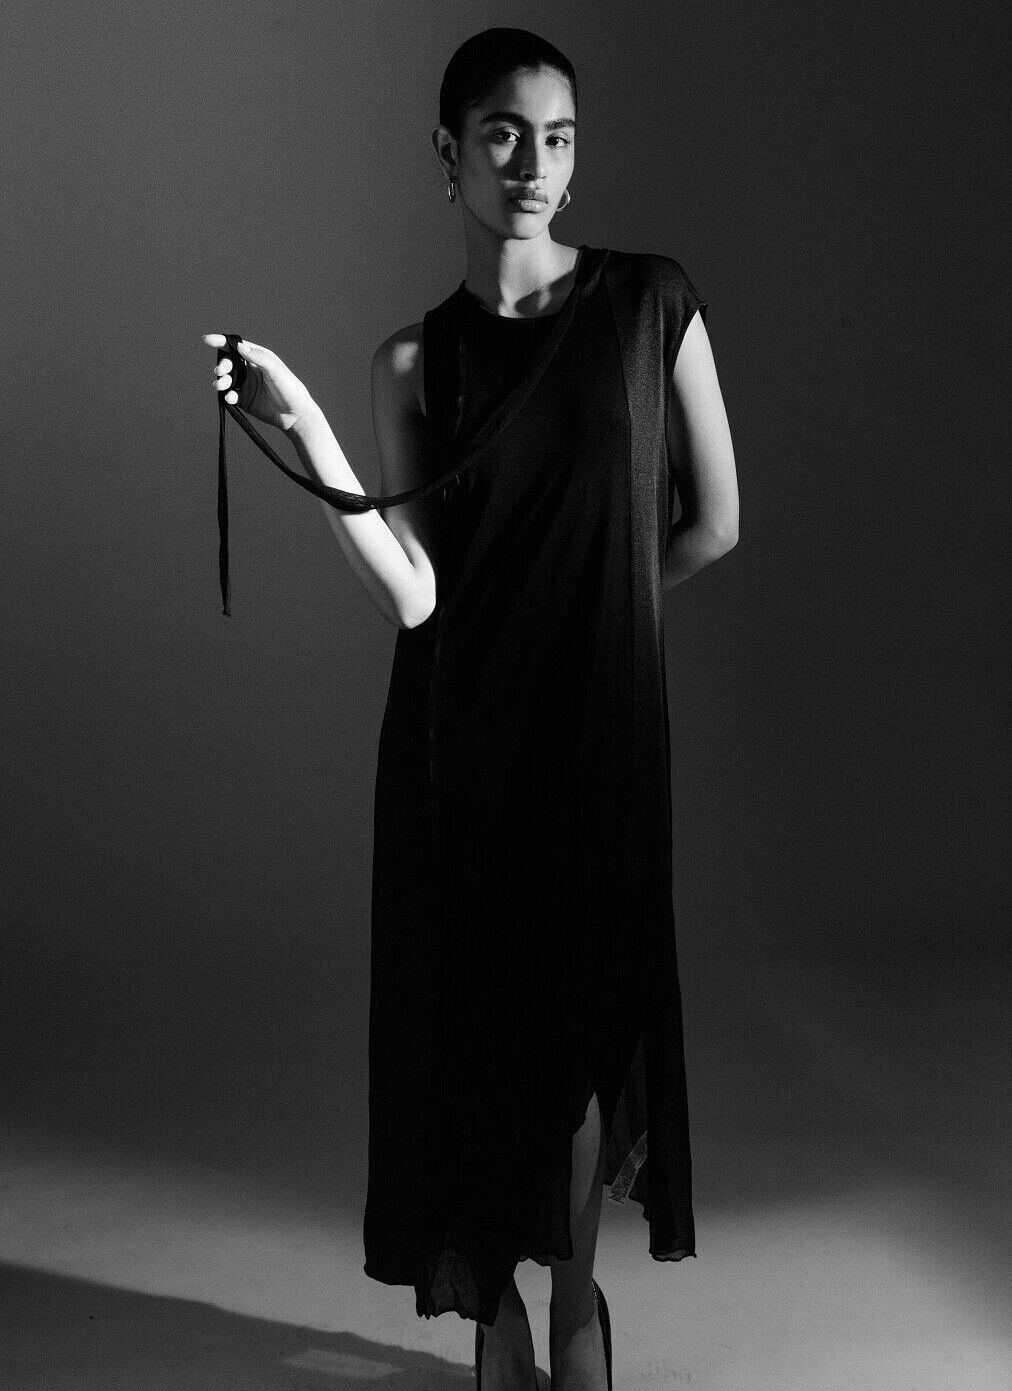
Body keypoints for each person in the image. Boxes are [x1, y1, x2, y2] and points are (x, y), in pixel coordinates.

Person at [204, 26, 737, 1391]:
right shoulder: (413, 363)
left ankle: (577, 1306)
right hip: (462, 746)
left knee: (585, 1039)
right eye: (504, 134)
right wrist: (303, 424)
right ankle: (498, 1313)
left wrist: (597, 616)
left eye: (558, 138)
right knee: (480, 1034)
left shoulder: (649, 303)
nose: (535, 165)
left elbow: (714, 521)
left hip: (600, 737)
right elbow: (416, 593)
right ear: (448, 153)